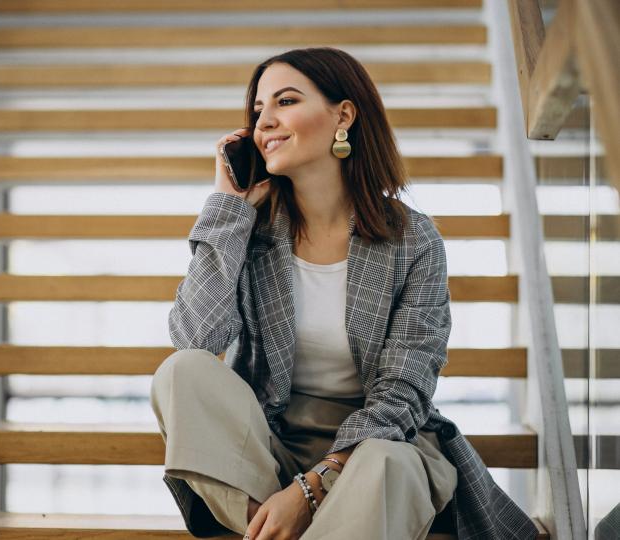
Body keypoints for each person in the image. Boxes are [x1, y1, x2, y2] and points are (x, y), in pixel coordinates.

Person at [150, 47, 537, 540]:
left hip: (377, 443)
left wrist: (310, 489)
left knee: (384, 464)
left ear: (344, 115)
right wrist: (227, 208)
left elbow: (404, 392)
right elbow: (195, 337)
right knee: (180, 371)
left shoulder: (413, 240)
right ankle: (268, 526)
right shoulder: (248, 229)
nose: (264, 121)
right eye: (257, 110)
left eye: (285, 102)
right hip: (271, 448)